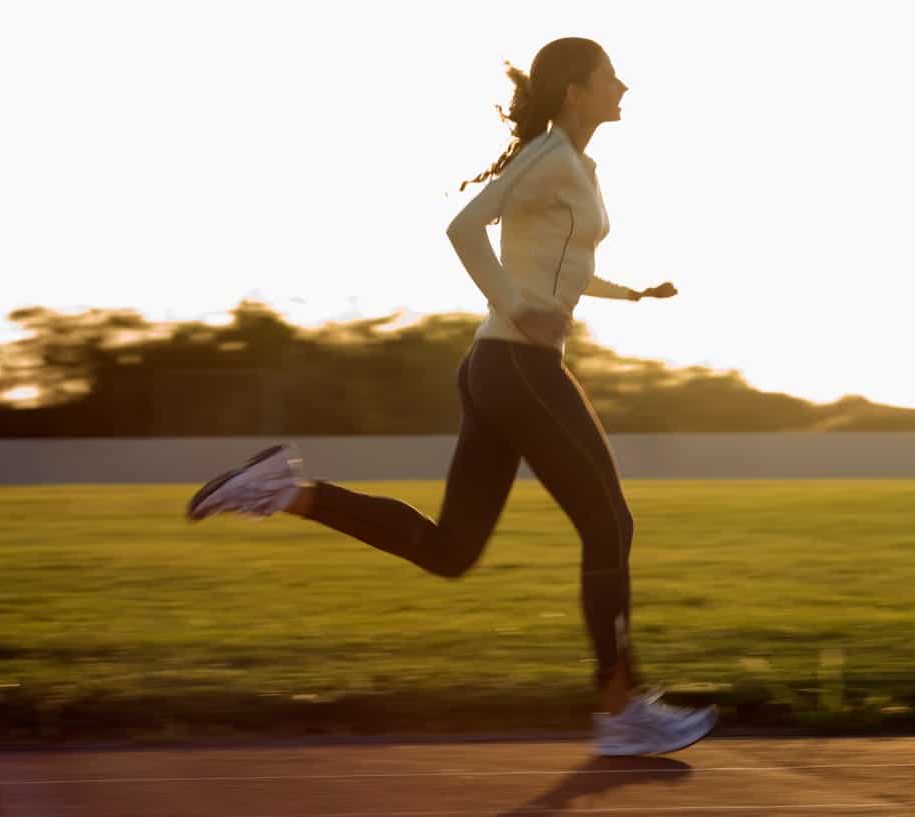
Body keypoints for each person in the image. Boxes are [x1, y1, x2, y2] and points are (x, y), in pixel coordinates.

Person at [186, 36, 717, 756]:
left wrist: (629, 293)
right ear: (576, 91)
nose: (625, 86)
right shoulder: (552, 157)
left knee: (452, 549)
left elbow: (560, 264)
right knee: (609, 522)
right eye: (610, 76)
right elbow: (465, 228)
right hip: (518, 365)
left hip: (499, 367)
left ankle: (285, 491)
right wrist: (513, 302)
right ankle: (620, 708)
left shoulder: (574, 165)